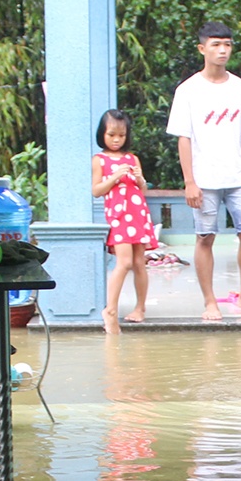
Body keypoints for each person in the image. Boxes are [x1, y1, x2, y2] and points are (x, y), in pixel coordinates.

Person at [166, 20, 241, 321]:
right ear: (202, 48)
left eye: (228, 45)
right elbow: (184, 138)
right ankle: (210, 302)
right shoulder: (188, 90)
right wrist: (189, 182)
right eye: (216, 44)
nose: (223, 50)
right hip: (204, 180)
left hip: (237, 177)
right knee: (204, 237)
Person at [93, 110, 154, 334]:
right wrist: (114, 176)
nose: (117, 139)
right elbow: (96, 190)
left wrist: (139, 178)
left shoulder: (132, 158)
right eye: (111, 135)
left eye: (121, 135)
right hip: (118, 216)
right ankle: (111, 310)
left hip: (138, 214)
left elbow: (142, 189)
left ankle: (140, 308)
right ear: (103, 134)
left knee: (139, 262)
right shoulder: (100, 160)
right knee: (124, 262)